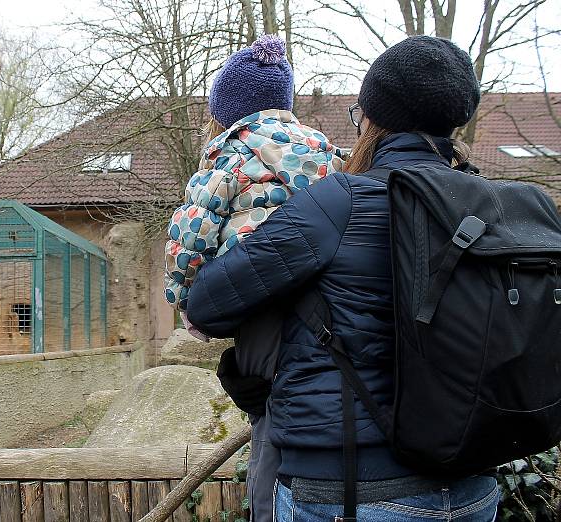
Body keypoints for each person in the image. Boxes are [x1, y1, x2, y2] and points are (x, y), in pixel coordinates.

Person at [185, 36, 500, 521]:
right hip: (474, 486)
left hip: (352, 490)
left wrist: (255, 360)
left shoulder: (338, 202)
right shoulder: (493, 207)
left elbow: (207, 303)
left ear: (372, 119)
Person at [163, 34, 346, 522]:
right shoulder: (328, 154)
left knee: (265, 407)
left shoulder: (228, 157)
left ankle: (264, 508)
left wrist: (184, 299)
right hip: (321, 294)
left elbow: (192, 233)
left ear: (226, 112)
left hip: (253, 293)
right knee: (289, 392)